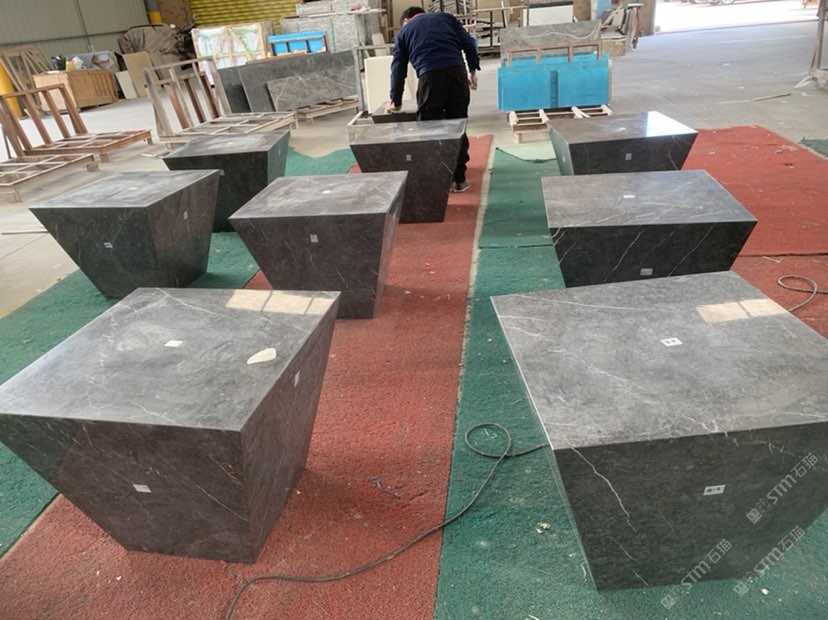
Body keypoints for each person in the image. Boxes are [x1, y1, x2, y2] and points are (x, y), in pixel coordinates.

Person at [387, 7, 480, 193]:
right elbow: (469, 43)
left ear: (405, 20)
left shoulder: (405, 31)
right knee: (457, 125)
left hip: (430, 78)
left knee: (429, 129)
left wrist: (395, 100)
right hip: (457, 75)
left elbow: (398, 68)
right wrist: (472, 71)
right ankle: (459, 179)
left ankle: (437, 182)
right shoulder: (447, 18)